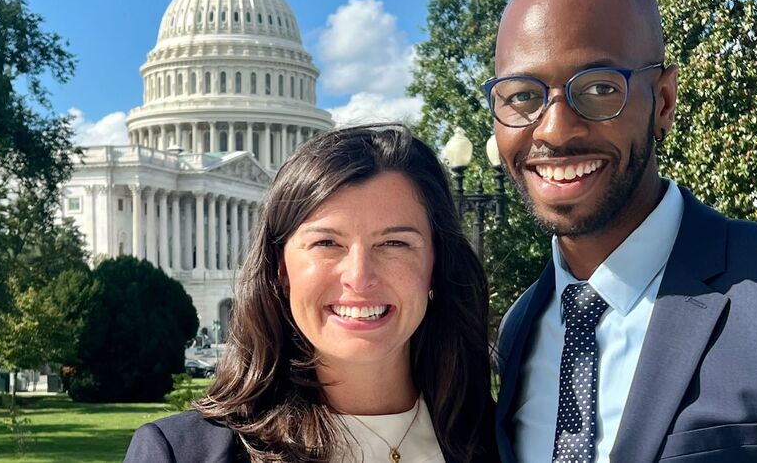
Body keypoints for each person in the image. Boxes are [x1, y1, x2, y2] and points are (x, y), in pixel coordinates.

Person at [490, 0, 757, 463]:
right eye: (522, 96)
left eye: (600, 88)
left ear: (663, 102)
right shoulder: (520, 328)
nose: (555, 130)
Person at [124, 124, 497, 462]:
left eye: (394, 243)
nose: (359, 276)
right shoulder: (180, 454)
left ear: (436, 264)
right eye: (326, 243)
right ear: (281, 268)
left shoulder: (507, 443)